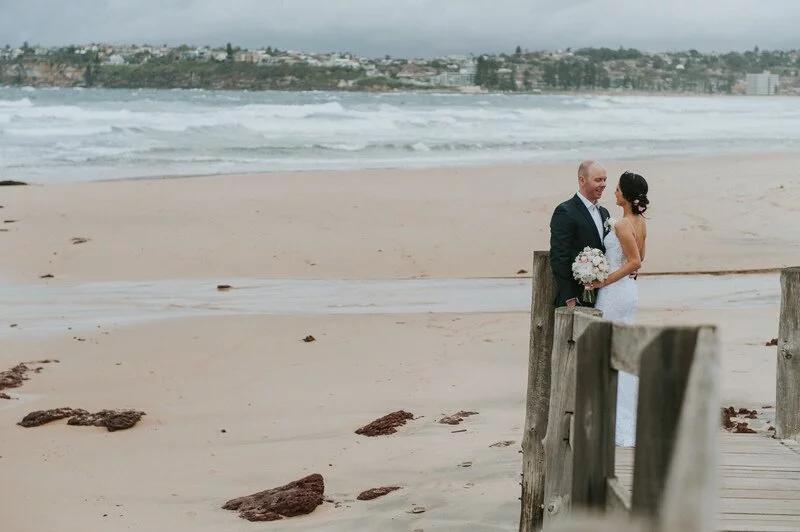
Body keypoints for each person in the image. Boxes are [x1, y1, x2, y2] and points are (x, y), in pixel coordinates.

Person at [585, 170, 650, 447]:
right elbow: (640, 257)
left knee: (608, 352)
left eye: (618, 189)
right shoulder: (640, 222)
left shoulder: (623, 225)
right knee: (622, 352)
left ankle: (615, 426)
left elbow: (635, 262)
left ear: (626, 195)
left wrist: (603, 281)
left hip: (614, 292)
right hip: (628, 292)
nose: (614, 192)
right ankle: (624, 422)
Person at [549, 160, 610, 308]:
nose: (603, 184)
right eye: (598, 180)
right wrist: (569, 295)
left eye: (604, 180)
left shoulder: (604, 212)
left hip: (604, 294)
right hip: (577, 297)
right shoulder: (565, 211)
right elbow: (559, 256)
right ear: (582, 180)